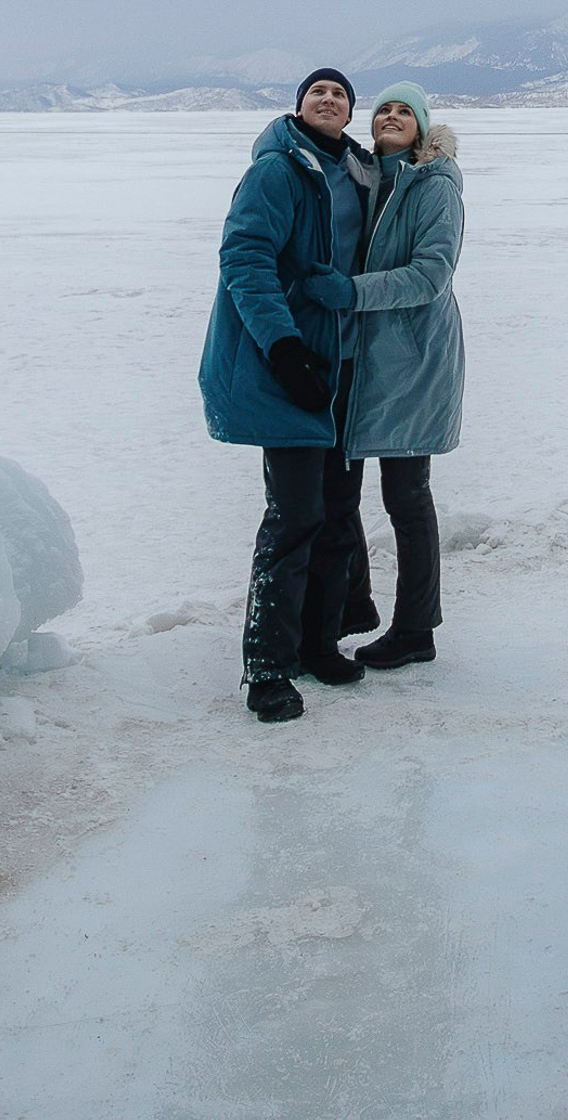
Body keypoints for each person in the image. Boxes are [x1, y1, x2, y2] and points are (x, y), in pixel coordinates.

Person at [198, 65, 377, 723]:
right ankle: (267, 668)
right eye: (316, 92)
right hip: (294, 368)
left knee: (337, 511)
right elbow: (245, 260)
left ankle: (318, 643)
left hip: (348, 368)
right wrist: (284, 348)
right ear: (300, 107)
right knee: (295, 514)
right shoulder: (278, 171)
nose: (328, 99)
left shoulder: (360, 174)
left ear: (350, 113)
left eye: (339, 94)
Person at [312, 81, 465, 670]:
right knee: (340, 491)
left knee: (406, 497)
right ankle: (354, 606)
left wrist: (349, 293)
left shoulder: (434, 184)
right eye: (384, 111)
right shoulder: (370, 178)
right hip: (364, 360)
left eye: (405, 112)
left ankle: (416, 630)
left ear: (422, 128)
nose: (392, 118)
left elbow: (430, 274)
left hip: (413, 359)